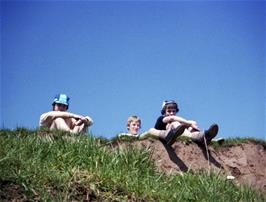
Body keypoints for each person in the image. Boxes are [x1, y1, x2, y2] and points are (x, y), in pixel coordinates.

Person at [154, 100, 219, 145]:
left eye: (174, 111)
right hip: (165, 135)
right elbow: (172, 118)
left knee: (190, 124)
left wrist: (192, 124)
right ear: (164, 112)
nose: (172, 113)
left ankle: (204, 136)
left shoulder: (175, 120)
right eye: (169, 111)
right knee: (176, 124)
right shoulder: (161, 118)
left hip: (179, 133)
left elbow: (189, 122)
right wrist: (189, 123)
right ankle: (200, 137)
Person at [118, 115, 186, 145]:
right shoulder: (123, 135)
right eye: (134, 125)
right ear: (128, 126)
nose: (136, 127)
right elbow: (121, 137)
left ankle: (169, 134)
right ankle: (167, 135)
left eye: (138, 125)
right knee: (151, 130)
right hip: (138, 138)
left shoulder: (140, 135)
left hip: (140, 137)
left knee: (151, 130)